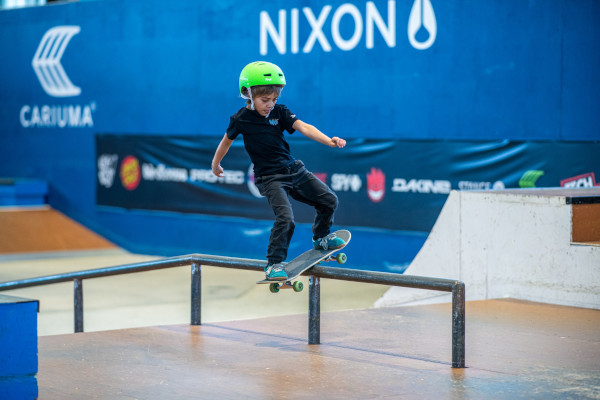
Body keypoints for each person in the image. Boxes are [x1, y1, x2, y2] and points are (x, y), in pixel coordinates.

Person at [211, 61, 346, 281]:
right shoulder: (240, 119)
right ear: (248, 94)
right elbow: (225, 142)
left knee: (329, 199)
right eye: (265, 100)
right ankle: (274, 264)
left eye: (274, 99)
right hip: (270, 178)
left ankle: (321, 237)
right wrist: (215, 164)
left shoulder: (280, 112)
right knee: (286, 218)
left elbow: (304, 127)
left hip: (293, 169)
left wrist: (328, 140)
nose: (270, 104)